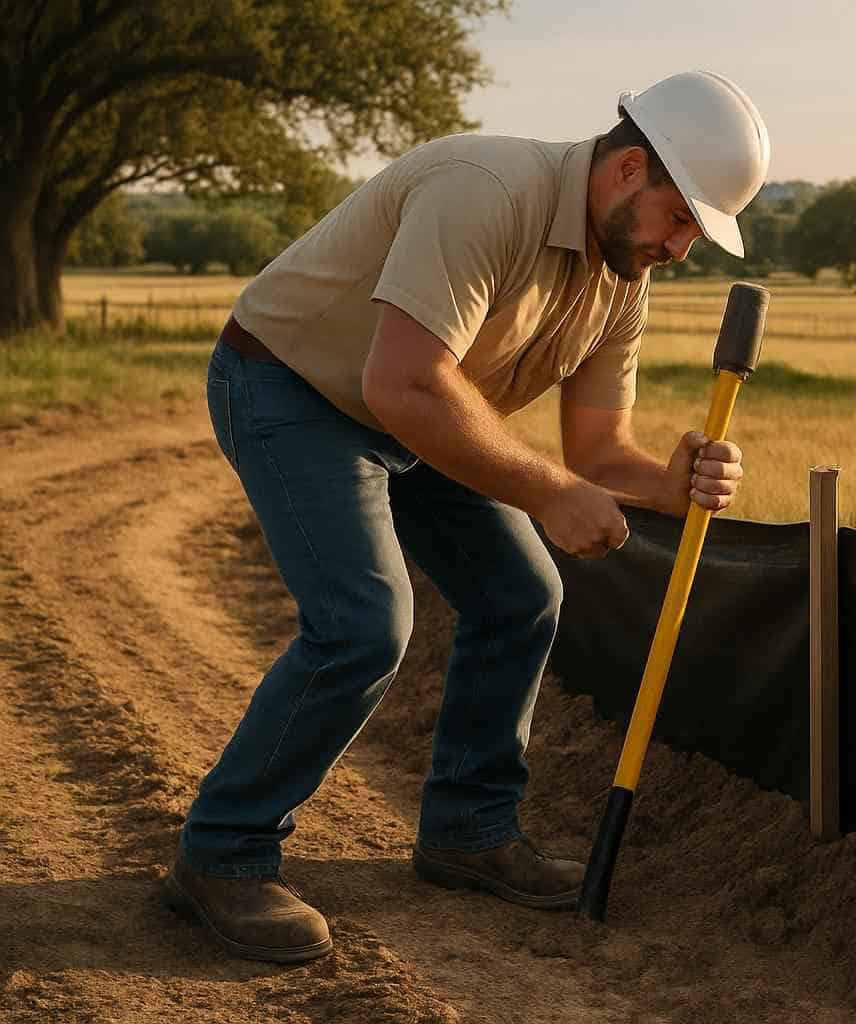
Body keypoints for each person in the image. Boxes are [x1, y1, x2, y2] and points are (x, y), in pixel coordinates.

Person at [161, 70, 771, 963]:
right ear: (629, 167)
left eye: (698, 233)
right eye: (681, 218)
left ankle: (467, 832)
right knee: (363, 625)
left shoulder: (621, 280)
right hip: (289, 386)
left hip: (425, 411)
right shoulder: (484, 192)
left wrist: (669, 484)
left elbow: (598, 454)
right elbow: (399, 382)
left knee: (522, 595)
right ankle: (221, 854)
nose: (682, 247)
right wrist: (549, 492)